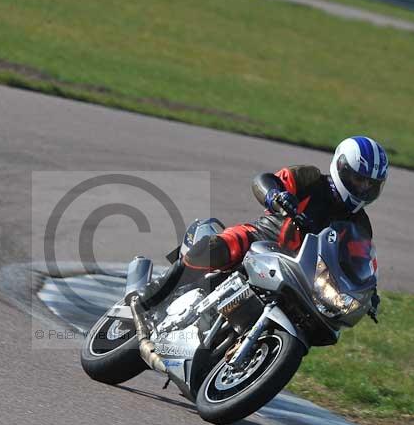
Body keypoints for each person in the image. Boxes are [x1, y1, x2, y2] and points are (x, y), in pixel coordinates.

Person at [134, 136, 388, 317]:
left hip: (303, 277)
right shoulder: (310, 179)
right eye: (358, 179)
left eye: (370, 184)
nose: (364, 188)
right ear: (341, 167)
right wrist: (276, 196)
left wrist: (368, 292)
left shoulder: (360, 224)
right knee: (221, 247)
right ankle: (149, 298)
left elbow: (360, 264)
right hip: (263, 240)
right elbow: (265, 180)